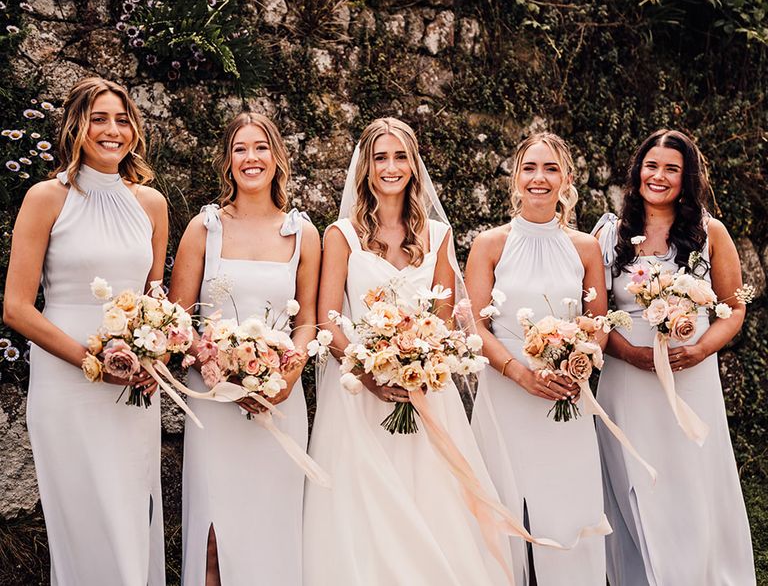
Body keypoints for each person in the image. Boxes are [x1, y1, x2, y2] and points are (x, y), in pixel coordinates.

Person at [303, 117, 518, 585]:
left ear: (414, 165)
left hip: (425, 394)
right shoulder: (340, 235)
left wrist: (418, 366)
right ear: (365, 166)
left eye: (401, 156)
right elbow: (326, 319)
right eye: (380, 157)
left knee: (432, 505)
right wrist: (367, 371)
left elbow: (441, 318)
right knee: (367, 512)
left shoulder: (438, 236)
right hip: (358, 397)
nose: (391, 166)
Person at [3, 77, 168, 585]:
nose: (112, 130)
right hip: (66, 384)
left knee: (128, 514)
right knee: (80, 518)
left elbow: (155, 300)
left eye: (122, 119)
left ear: (134, 130)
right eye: (99, 118)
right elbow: (14, 307)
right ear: (76, 125)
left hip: (133, 390)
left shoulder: (152, 204)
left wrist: (156, 355)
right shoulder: (46, 197)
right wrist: (91, 361)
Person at [592, 128, 755, 585]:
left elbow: (734, 306)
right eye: (651, 165)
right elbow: (596, 314)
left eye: (671, 169)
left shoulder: (708, 232)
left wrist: (702, 348)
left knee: (691, 482)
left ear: (686, 178)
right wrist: (628, 352)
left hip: (691, 379)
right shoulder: (608, 233)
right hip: (628, 382)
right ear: (637, 171)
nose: (658, 176)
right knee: (637, 484)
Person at [170, 111, 320, 586]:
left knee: (273, 529)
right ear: (227, 161)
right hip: (213, 403)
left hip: (278, 402)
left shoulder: (302, 233)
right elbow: (178, 318)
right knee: (215, 534)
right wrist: (219, 368)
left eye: (260, 148)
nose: (251, 158)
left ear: (277, 158)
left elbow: (309, 320)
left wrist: (285, 378)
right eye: (240, 149)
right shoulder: (205, 228)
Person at [467, 131, 609, 585]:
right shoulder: (489, 244)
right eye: (530, 168)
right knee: (502, 500)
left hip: (563, 397)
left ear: (566, 179)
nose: (539, 178)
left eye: (550, 169)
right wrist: (517, 372)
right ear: (516, 177)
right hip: (504, 394)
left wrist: (578, 362)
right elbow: (472, 326)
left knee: (565, 500)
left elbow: (599, 324)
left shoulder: (585, 247)